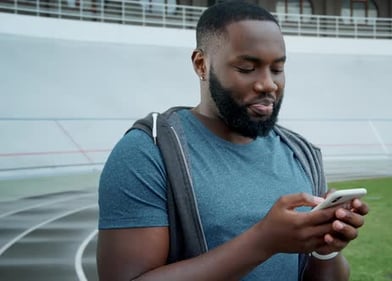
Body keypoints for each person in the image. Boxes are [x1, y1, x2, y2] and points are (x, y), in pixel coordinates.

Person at [97, 2, 369, 281]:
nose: (268, 84)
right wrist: (262, 242)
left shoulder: (301, 154)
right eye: (247, 67)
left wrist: (326, 247)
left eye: (277, 69)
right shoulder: (147, 153)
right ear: (201, 65)